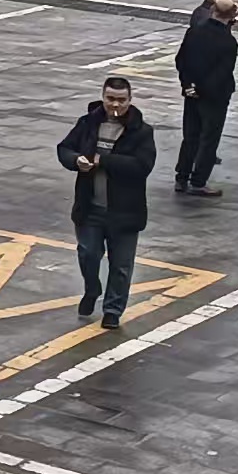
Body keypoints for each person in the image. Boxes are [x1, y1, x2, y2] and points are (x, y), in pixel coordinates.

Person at [56, 76, 157, 331]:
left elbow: (142, 166)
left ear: (130, 100)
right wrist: (76, 160)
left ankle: (112, 310)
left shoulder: (141, 132)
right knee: (87, 253)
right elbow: (64, 148)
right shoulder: (88, 123)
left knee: (121, 265)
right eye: (110, 98)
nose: (115, 105)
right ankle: (92, 289)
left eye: (121, 100)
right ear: (102, 97)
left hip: (125, 211)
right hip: (90, 207)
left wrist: (104, 160)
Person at [172, 0, 238, 196]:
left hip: (191, 93)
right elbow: (222, 73)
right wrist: (203, 90)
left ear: (212, 10)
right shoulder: (228, 42)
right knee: (209, 139)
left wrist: (189, 86)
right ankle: (199, 181)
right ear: (232, 15)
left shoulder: (194, 32)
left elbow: (181, 60)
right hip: (214, 97)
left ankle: (181, 177)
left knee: (190, 136)